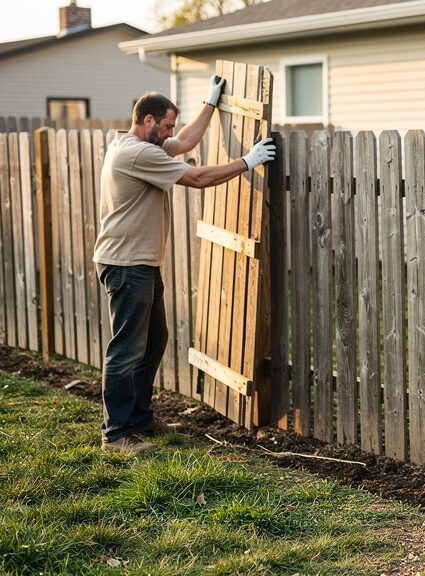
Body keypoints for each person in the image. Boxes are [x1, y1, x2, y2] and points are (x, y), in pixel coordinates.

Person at [93, 77, 276, 453]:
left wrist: (210, 103)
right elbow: (196, 177)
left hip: (139, 262)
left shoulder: (143, 143)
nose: (171, 133)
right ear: (147, 121)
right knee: (126, 348)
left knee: (154, 338)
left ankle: (139, 416)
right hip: (126, 264)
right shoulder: (138, 154)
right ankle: (115, 435)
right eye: (166, 126)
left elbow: (188, 142)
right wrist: (248, 161)